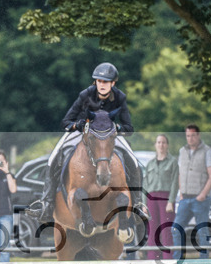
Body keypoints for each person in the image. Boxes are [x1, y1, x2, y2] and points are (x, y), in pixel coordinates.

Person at [26, 62, 147, 223]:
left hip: (108, 135)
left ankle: (138, 204)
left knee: (133, 160)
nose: (102, 85)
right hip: (83, 133)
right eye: (99, 81)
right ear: (95, 82)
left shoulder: (120, 97)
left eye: (106, 82)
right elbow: (66, 121)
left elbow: (129, 128)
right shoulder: (85, 95)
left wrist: (116, 128)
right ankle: (46, 204)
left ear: (113, 83)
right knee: (53, 157)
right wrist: (78, 125)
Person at [171, 124, 211, 260]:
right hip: (185, 198)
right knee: (176, 228)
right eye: (188, 136)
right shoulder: (182, 151)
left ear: (198, 135)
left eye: (192, 135)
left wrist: (203, 194)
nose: (190, 138)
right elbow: (180, 173)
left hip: (200, 199)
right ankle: (177, 259)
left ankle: (204, 260)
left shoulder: (208, 151)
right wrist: (180, 191)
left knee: (202, 230)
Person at [143, 134, 178, 260]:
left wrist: (171, 201)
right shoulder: (150, 164)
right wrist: (144, 204)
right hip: (151, 198)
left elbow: (175, 182)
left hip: (166, 198)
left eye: (163, 142)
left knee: (166, 229)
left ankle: (167, 258)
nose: (161, 145)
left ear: (167, 145)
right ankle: (153, 258)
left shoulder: (173, 162)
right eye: (158, 142)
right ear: (155, 145)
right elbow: (145, 184)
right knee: (152, 228)